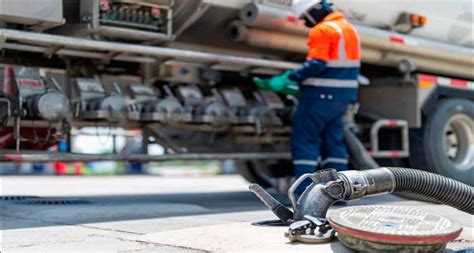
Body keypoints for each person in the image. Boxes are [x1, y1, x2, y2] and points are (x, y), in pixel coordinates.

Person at [254, 0, 361, 196]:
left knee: (305, 142)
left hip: (319, 97)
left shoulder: (322, 30)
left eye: (304, 17)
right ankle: (340, 193)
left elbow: (317, 64)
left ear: (313, 11)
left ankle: (305, 195)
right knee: (334, 144)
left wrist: (289, 77)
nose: (305, 22)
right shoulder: (348, 29)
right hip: (342, 98)